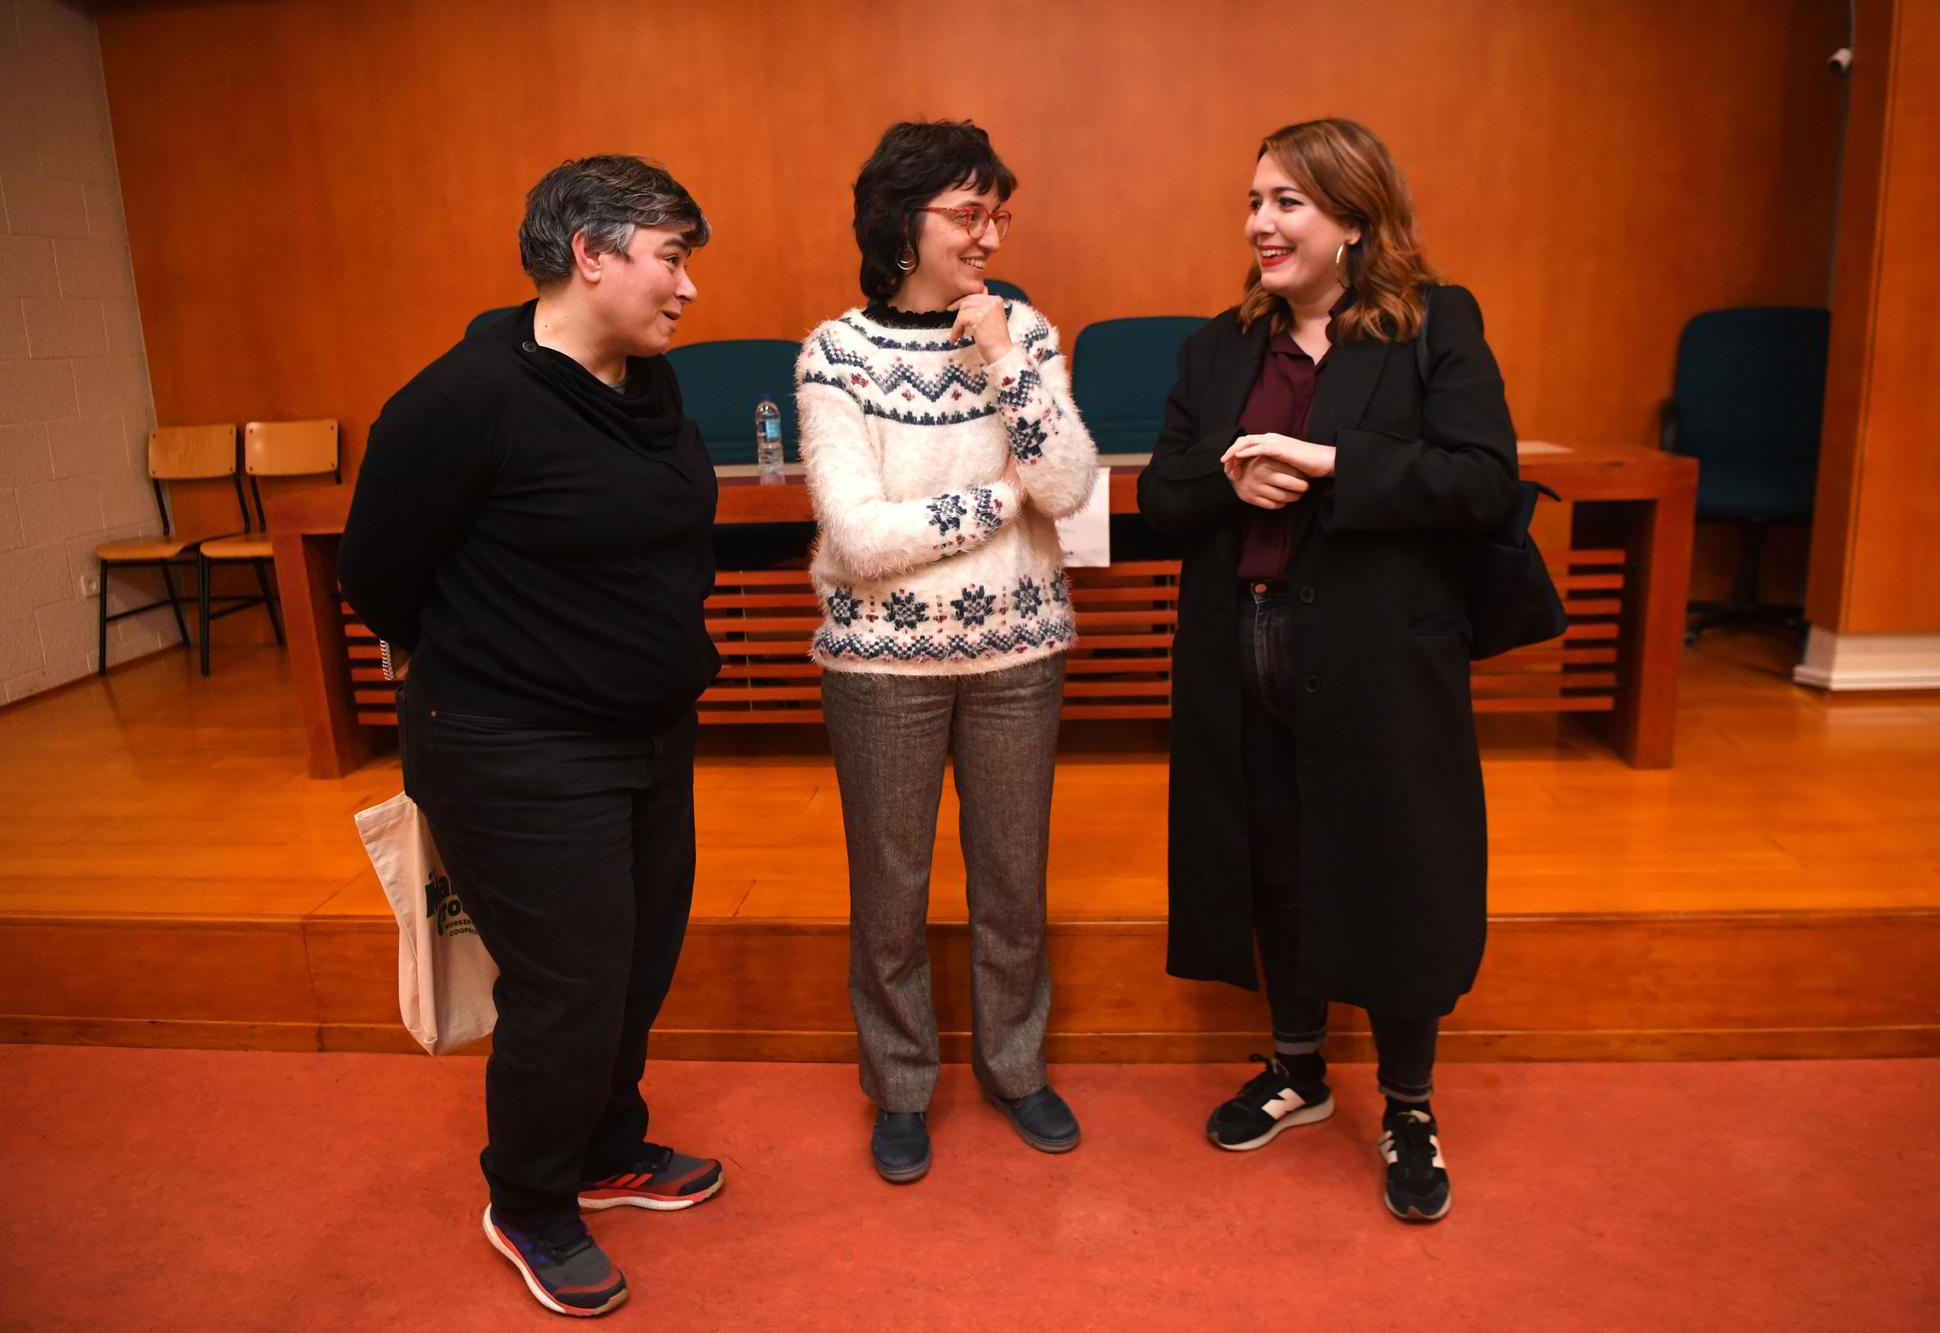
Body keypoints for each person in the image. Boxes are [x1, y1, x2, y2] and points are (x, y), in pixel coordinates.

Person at [339, 155, 725, 1317]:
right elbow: (375, 577)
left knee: (638, 960)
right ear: (590, 254)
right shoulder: (460, 400)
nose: (688, 289)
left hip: (645, 733)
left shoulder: (644, 385)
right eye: (671, 257)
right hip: (511, 744)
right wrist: (504, 658)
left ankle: (607, 1147)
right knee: (568, 983)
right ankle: (530, 1199)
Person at [1136, 118, 1520, 1224]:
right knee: (1271, 855)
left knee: (1393, 864)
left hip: (1377, 658)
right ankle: (1298, 1069)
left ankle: (1406, 1104)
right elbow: (1162, 499)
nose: (1259, 222)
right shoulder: (1216, 348)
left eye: (1286, 202)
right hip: (1238, 648)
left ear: (1352, 218)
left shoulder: (1431, 326)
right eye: (1253, 200)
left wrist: (1328, 465)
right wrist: (1228, 481)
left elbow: (1481, 480)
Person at [796, 120, 1098, 1183]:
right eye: (965, 213)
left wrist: (1004, 360)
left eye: (995, 214)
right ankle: (901, 1084)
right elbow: (858, 535)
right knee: (890, 890)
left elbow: (1066, 487)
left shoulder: (1025, 332)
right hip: (881, 666)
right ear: (899, 220)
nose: (985, 235)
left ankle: (1016, 1068)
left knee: (1012, 879)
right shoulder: (837, 352)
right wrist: (991, 500)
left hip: (1019, 651)